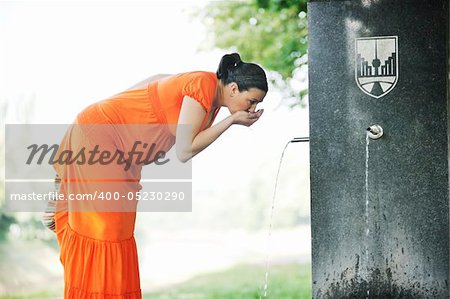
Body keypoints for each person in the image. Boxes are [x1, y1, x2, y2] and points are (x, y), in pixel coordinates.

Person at [48, 52, 268, 298]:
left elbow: (155, 80)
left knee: (118, 230)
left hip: (123, 153)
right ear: (234, 88)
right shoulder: (202, 88)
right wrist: (232, 121)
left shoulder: (206, 90)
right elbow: (184, 151)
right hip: (103, 138)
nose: (253, 108)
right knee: (105, 229)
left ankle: (66, 202)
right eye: (251, 101)